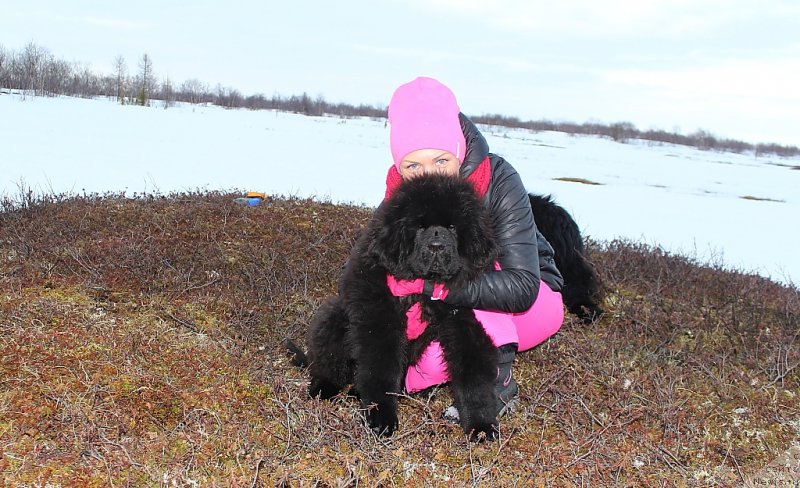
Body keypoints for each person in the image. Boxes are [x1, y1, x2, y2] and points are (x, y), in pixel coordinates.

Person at [383, 76, 565, 420]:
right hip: (451, 304)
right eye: (413, 165)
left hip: (530, 303)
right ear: (399, 166)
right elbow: (366, 267)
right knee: (423, 368)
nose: (428, 176)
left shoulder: (497, 178)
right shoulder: (398, 194)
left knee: (472, 266)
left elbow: (522, 287)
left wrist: (434, 287)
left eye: (441, 161)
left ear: (457, 149)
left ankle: (497, 384)